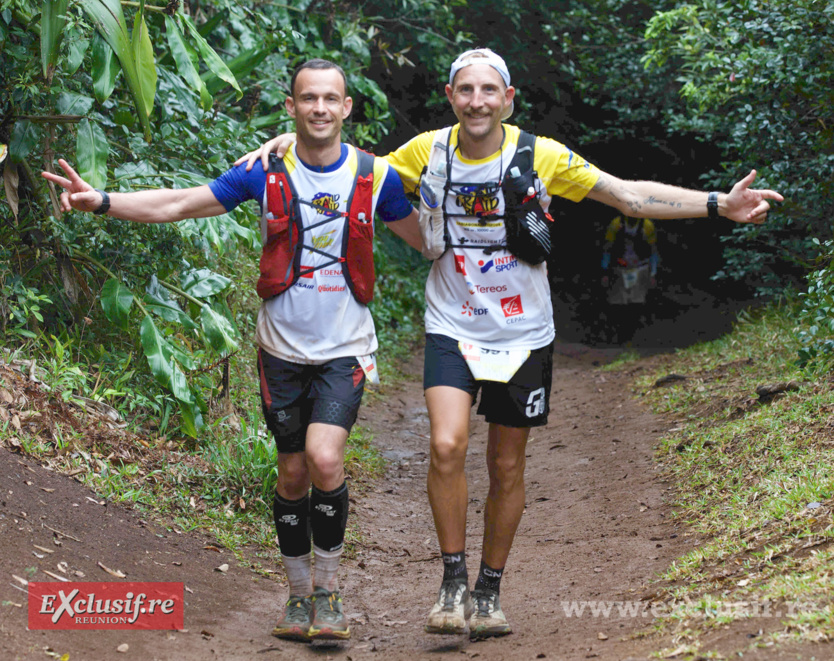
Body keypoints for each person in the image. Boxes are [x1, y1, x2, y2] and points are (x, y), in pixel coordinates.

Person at [237, 48, 783, 639]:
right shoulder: (428, 151)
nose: (477, 101)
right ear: (451, 97)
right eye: (465, 90)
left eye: (488, 91)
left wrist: (716, 205)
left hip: (523, 333)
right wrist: (282, 145)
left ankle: (489, 589)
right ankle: (451, 580)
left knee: (505, 464)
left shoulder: (539, 155)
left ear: (508, 98)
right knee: (446, 445)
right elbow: (343, 166)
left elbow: (626, 196)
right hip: (452, 323)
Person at [42, 59, 421, 643]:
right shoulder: (262, 172)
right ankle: (297, 597)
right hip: (280, 351)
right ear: (291, 107)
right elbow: (182, 204)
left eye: (330, 99)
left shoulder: (378, 178)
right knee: (292, 473)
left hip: (346, 348)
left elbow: (430, 242)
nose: (319, 108)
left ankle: (330, 591)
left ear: (347, 109)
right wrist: (103, 200)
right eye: (307, 98)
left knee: (324, 459)